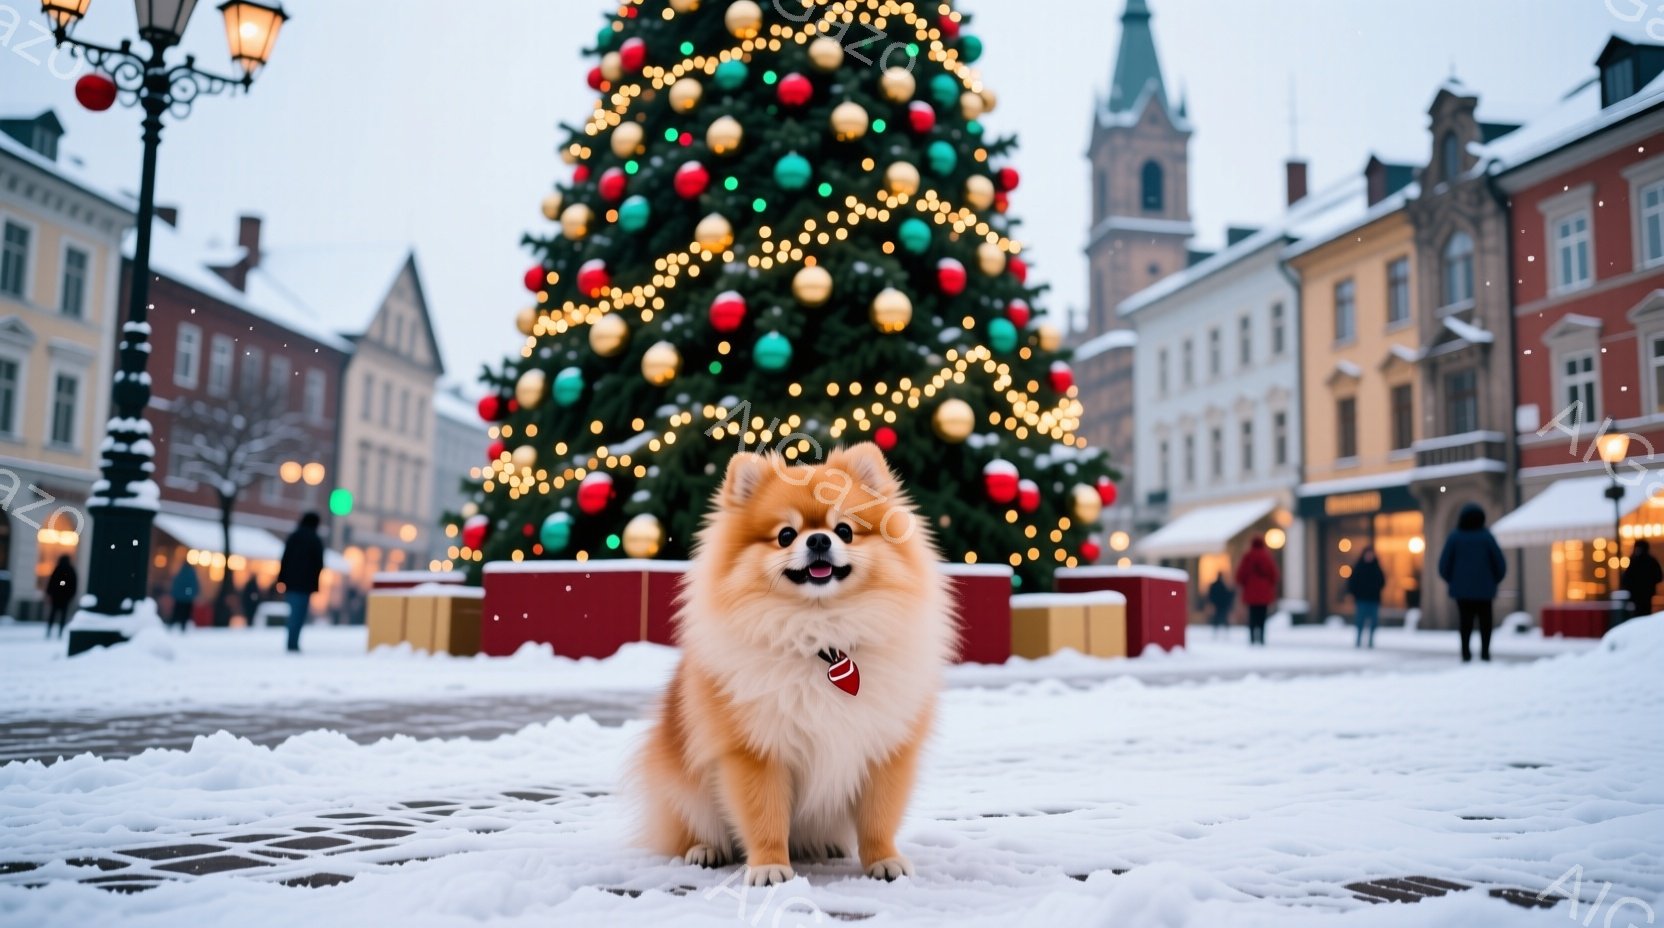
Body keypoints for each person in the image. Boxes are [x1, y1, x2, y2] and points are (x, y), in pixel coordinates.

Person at [1438, 502, 1507, 663]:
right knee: (1485, 623)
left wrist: (1453, 581)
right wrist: (1493, 581)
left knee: (1465, 622)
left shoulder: (1455, 537)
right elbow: (1500, 564)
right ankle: (1485, 653)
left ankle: (1465, 653)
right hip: (1485, 590)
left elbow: (1443, 565)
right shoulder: (1487, 537)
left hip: (1462, 591)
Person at [277, 512, 325, 653]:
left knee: (293, 613)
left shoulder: (294, 537)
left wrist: (281, 580)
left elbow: (284, 559)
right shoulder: (315, 539)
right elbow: (319, 564)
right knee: (299, 615)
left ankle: (291, 642)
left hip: (291, 583)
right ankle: (293, 643)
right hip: (305, 585)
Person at [1236, 535, 1281, 647]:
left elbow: (1240, 576)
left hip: (1250, 593)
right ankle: (1261, 638)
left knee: (1252, 615)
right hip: (1264, 593)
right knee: (1262, 616)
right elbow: (1274, 575)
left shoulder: (1248, 557)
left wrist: (1246, 584)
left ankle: (1252, 638)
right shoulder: (1267, 557)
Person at [1347, 545, 1387, 649]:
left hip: (1373, 599)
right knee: (1360, 621)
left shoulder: (1377, 568)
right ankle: (1358, 641)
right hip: (1362, 600)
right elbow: (1352, 583)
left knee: (1373, 622)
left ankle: (1370, 641)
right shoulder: (1358, 567)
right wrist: (1356, 594)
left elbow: (1382, 582)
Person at [1621, 538, 1663, 622]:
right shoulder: (1650, 561)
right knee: (1645, 613)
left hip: (1637, 594)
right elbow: (1659, 576)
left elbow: (1626, 578)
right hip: (1647, 593)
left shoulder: (1634, 560)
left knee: (1638, 615)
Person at [44, 554, 77, 638]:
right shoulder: (70, 570)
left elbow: (51, 582)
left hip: (56, 596)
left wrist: (49, 593)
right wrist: (71, 595)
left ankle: (49, 631)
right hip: (65, 597)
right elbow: (73, 585)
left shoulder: (58, 569)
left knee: (53, 614)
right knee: (63, 615)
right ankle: (60, 632)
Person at [169, 562, 200, 632]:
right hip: (188, 599)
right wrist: (192, 594)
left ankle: (173, 626)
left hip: (179, 598)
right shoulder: (191, 573)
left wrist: (175, 594)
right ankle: (183, 627)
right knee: (185, 614)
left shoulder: (181, 572)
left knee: (177, 612)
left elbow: (176, 584)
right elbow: (194, 585)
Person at [1206, 572, 1235, 639]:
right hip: (1222, 605)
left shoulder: (1215, 585)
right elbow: (1227, 595)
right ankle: (1223, 631)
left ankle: (1217, 631)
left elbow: (1211, 595)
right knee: (1222, 617)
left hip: (1218, 605)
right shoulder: (1223, 585)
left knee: (1218, 618)